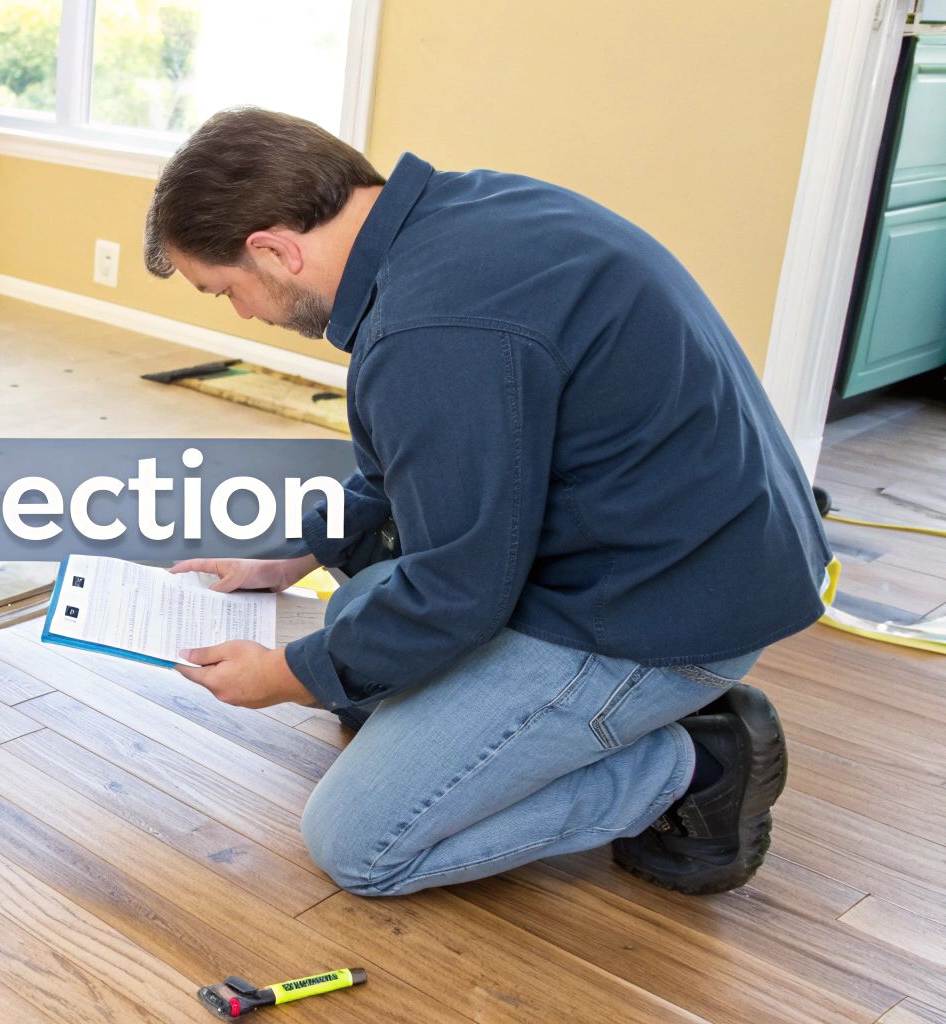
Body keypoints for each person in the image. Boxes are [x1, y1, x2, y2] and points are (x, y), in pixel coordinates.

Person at [153, 108, 832, 897]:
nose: (241, 312)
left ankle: (690, 767)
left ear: (275, 250)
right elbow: (400, 472)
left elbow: (457, 590)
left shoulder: (432, 329)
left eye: (227, 290)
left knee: (358, 842)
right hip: (692, 554)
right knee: (359, 615)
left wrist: (284, 674)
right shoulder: (461, 215)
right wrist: (287, 556)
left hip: (657, 618)